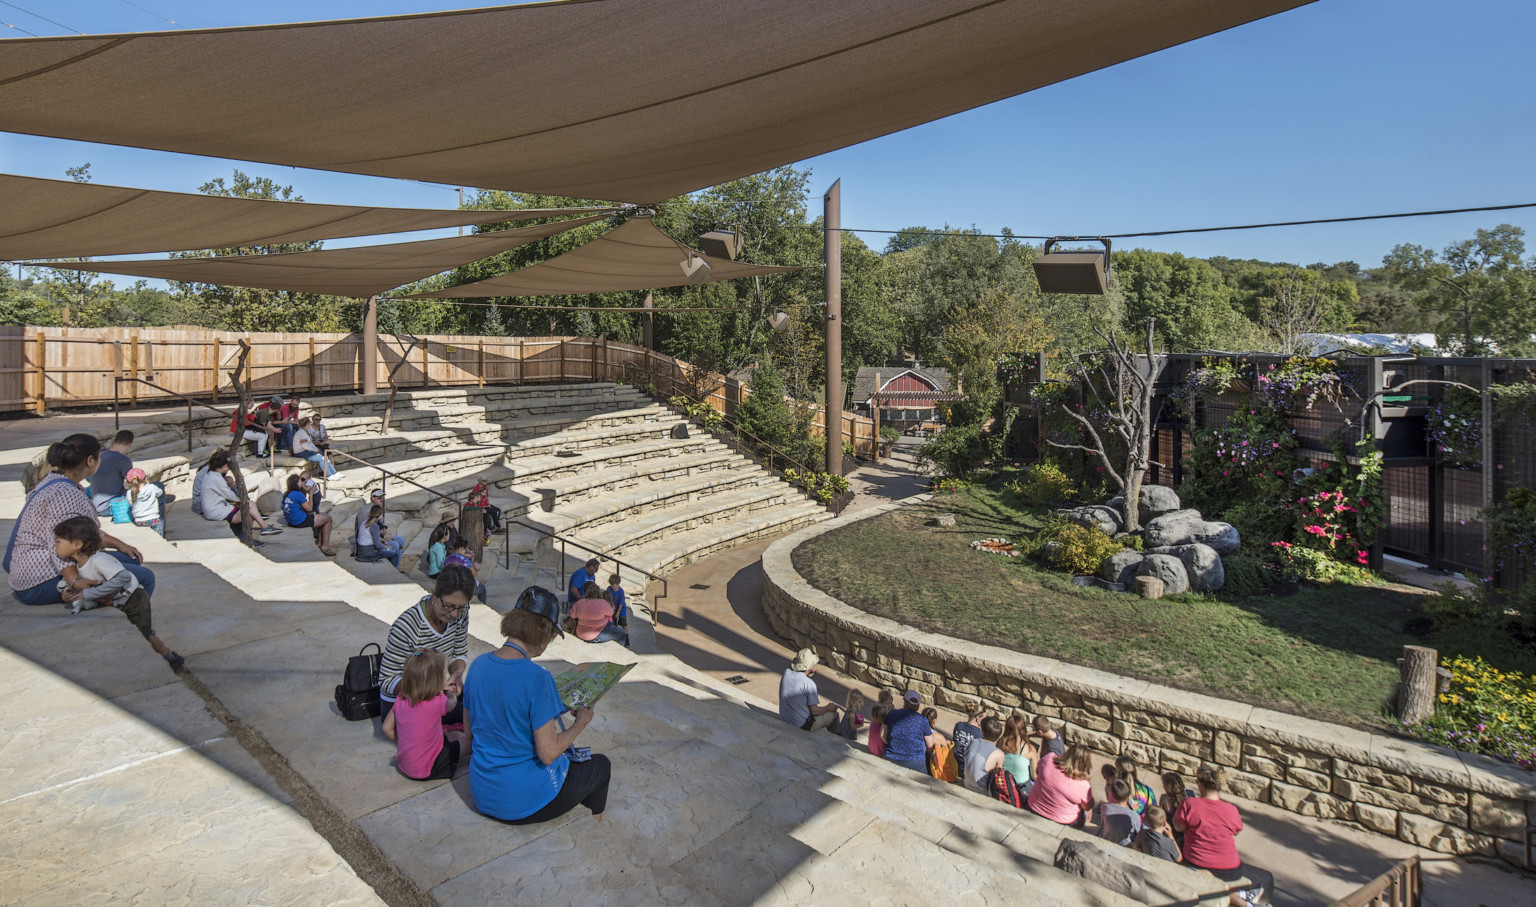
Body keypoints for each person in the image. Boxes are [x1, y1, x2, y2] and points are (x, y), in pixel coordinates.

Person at [464, 585, 610, 825]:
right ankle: (594, 822)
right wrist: (580, 724)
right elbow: (548, 753)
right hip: (521, 803)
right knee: (600, 766)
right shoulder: (538, 678)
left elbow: (470, 732)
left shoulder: (478, 665)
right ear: (543, 636)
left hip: (483, 792)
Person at [6, 433, 155, 605]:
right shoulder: (64, 494)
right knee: (145, 578)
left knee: (131, 558)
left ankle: (102, 596)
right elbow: (59, 543)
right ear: (90, 461)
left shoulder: (58, 481)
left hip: (46, 567)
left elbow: (83, 531)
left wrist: (121, 545)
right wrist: (75, 582)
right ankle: (125, 618)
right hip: (40, 580)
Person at [52, 516, 182, 673]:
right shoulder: (79, 565)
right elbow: (81, 585)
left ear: (77, 544)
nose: (54, 546)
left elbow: (123, 577)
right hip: (119, 601)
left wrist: (90, 593)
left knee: (143, 634)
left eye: (58, 541)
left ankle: (170, 657)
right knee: (139, 632)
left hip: (134, 599)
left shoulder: (99, 560)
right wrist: (67, 594)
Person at [377, 566, 474, 718]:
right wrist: (432, 687)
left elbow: (458, 651)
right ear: (434, 594)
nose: (454, 614)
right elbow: (387, 680)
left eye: (460, 607)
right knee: (471, 721)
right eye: (448, 606)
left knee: (480, 706)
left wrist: (457, 675)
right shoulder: (407, 626)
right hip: (403, 702)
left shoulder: (461, 615)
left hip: (436, 691)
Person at [382, 648, 470, 781]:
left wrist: (406, 743)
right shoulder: (437, 702)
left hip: (405, 765)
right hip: (429, 767)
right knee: (467, 742)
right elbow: (452, 704)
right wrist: (451, 693)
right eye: (444, 676)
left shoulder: (402, 698)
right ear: (434, 681)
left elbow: (386, 728)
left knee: (452, 735)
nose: (446, 678)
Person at [1173, 764, 1248, 893]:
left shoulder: (1190, 803)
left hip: (1196, 861)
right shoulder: (1232, 809)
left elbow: (1179, 827)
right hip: (1231, 870)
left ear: (1201, 785)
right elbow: (1235, 831)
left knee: (1178, 840)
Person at [197, 448, 280, 546]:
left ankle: (262, 527)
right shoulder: (216, 479)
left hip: (216, 509)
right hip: (216, 512)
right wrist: (237, 491)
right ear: (225, 466)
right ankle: (250, 537)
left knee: (250, 506)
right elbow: (232, 496)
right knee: (249, 510)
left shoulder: (211, 474)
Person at [1025, 743, 1095, 829]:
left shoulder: (1049, 759)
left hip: (1034, 807)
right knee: (1086, 811)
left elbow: (1037, 771)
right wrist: (1087, 780)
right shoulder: (1083, 784)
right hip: (1063, 820)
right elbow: (1088, 806)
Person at [778, 648, 840, 732]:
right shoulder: (809, 684)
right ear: (810, 668)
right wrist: (828, 708)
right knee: (834, 715)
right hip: (802, 725)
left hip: (785, 720)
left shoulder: (786, 673)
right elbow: (814, 711)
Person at [882, 690, 944, 773]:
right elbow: (929, 747)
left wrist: (892, 745)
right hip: (915, 762)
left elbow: (882, 735)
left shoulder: (892, 714)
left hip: (891, 756)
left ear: (904, 701)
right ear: (918, 705)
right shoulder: (922, 720)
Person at [282, 474, 336, 556]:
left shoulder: (288, 493)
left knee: (320, 516)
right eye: (300, 481)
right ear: (297, 483)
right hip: (299, 521)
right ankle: (325, 546)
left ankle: (319, 543)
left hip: (291, 520)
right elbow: (310, 508)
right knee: (328, 518)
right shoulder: (298, 494)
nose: (302, 482)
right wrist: (311, 494)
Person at [88, 429, 135, 516]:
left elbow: (89, 478)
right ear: (130, 444)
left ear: (114, 440)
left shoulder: (99, 455)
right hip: (111, 506)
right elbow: (132, 482)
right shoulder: (123, 460)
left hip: (96, 504)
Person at [571, 581, 627, 645]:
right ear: (598, 592)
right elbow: (611, 613)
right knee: (622, 633)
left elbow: (572, 615)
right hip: (597, 634)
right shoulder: (602, 602)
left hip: (581, 633)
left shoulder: (580, 602)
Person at [354, 489, 402, 562]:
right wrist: (385, 544)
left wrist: (384, 535)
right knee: (395, 548)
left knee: (400, 540)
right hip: (370, 548)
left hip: (376, 538)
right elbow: (364, 533)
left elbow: (380, 527)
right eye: (379, 498)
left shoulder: (378, 508)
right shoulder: (365, 512)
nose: (382, 499)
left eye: (383, 497)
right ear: (373, 498)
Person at [964, 716, 1006, 793]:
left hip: (967, 784)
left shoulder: (973, 742)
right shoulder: (999, 754)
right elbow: (997, 777)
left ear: (982, 732)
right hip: (983, 791)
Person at [995, 712, 1036, 790]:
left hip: (1003, 784)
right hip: (1021, 788)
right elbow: (1035, 776)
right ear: (1023, 729)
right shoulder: (1030, 749)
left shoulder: (1000, 742)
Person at [1097, 778, 1144, 847]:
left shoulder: (1104, 807)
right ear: (1128, 798)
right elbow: (1138, 834)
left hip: (1106, 839)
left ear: (1112, 795)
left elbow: (1103, 823)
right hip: (1125, 845)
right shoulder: (1135, 816)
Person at [123, 468, 165, 536]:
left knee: (144, 536)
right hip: (153, 519)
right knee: (157, 538)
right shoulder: (152, 487)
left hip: (139, 520)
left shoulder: (129, 493)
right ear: (145, 478)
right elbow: (160, 493)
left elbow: (130, 503)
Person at [445, 538, 488, 602]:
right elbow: (474, 574)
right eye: (465, 549)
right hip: (462, 587)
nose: (466, 551)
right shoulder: (465, 561)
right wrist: (475, 565)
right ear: (462, 548)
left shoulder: (446, 559)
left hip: (449, 585)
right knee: (482, 589)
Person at [951, 705, 988, 770]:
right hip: (967, 769)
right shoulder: (979, 734)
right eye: (984, 718)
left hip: (954, 763)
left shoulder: (959, 725)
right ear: (978, 718)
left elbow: (955, 742)